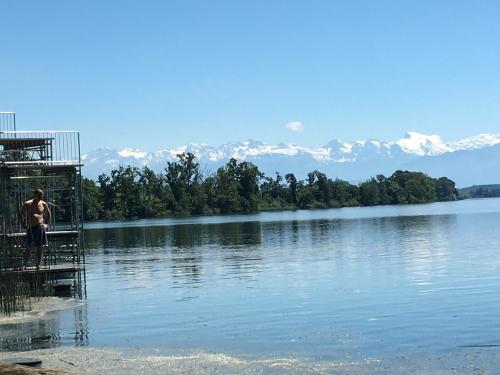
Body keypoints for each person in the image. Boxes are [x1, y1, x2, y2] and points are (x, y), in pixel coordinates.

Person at [17, 188, 51, 269]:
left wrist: (46, 224)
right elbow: (20, 214)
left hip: (40, 227)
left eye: (41, 196)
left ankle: (38, 265)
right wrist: (23, 224)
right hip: (31, 227)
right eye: (39, 196)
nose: (40, 197)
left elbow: (49, 213)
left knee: (40, 247)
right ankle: (24, 264)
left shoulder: (43, 203)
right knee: (29, 246)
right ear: (35, 195)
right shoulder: (28, 204)